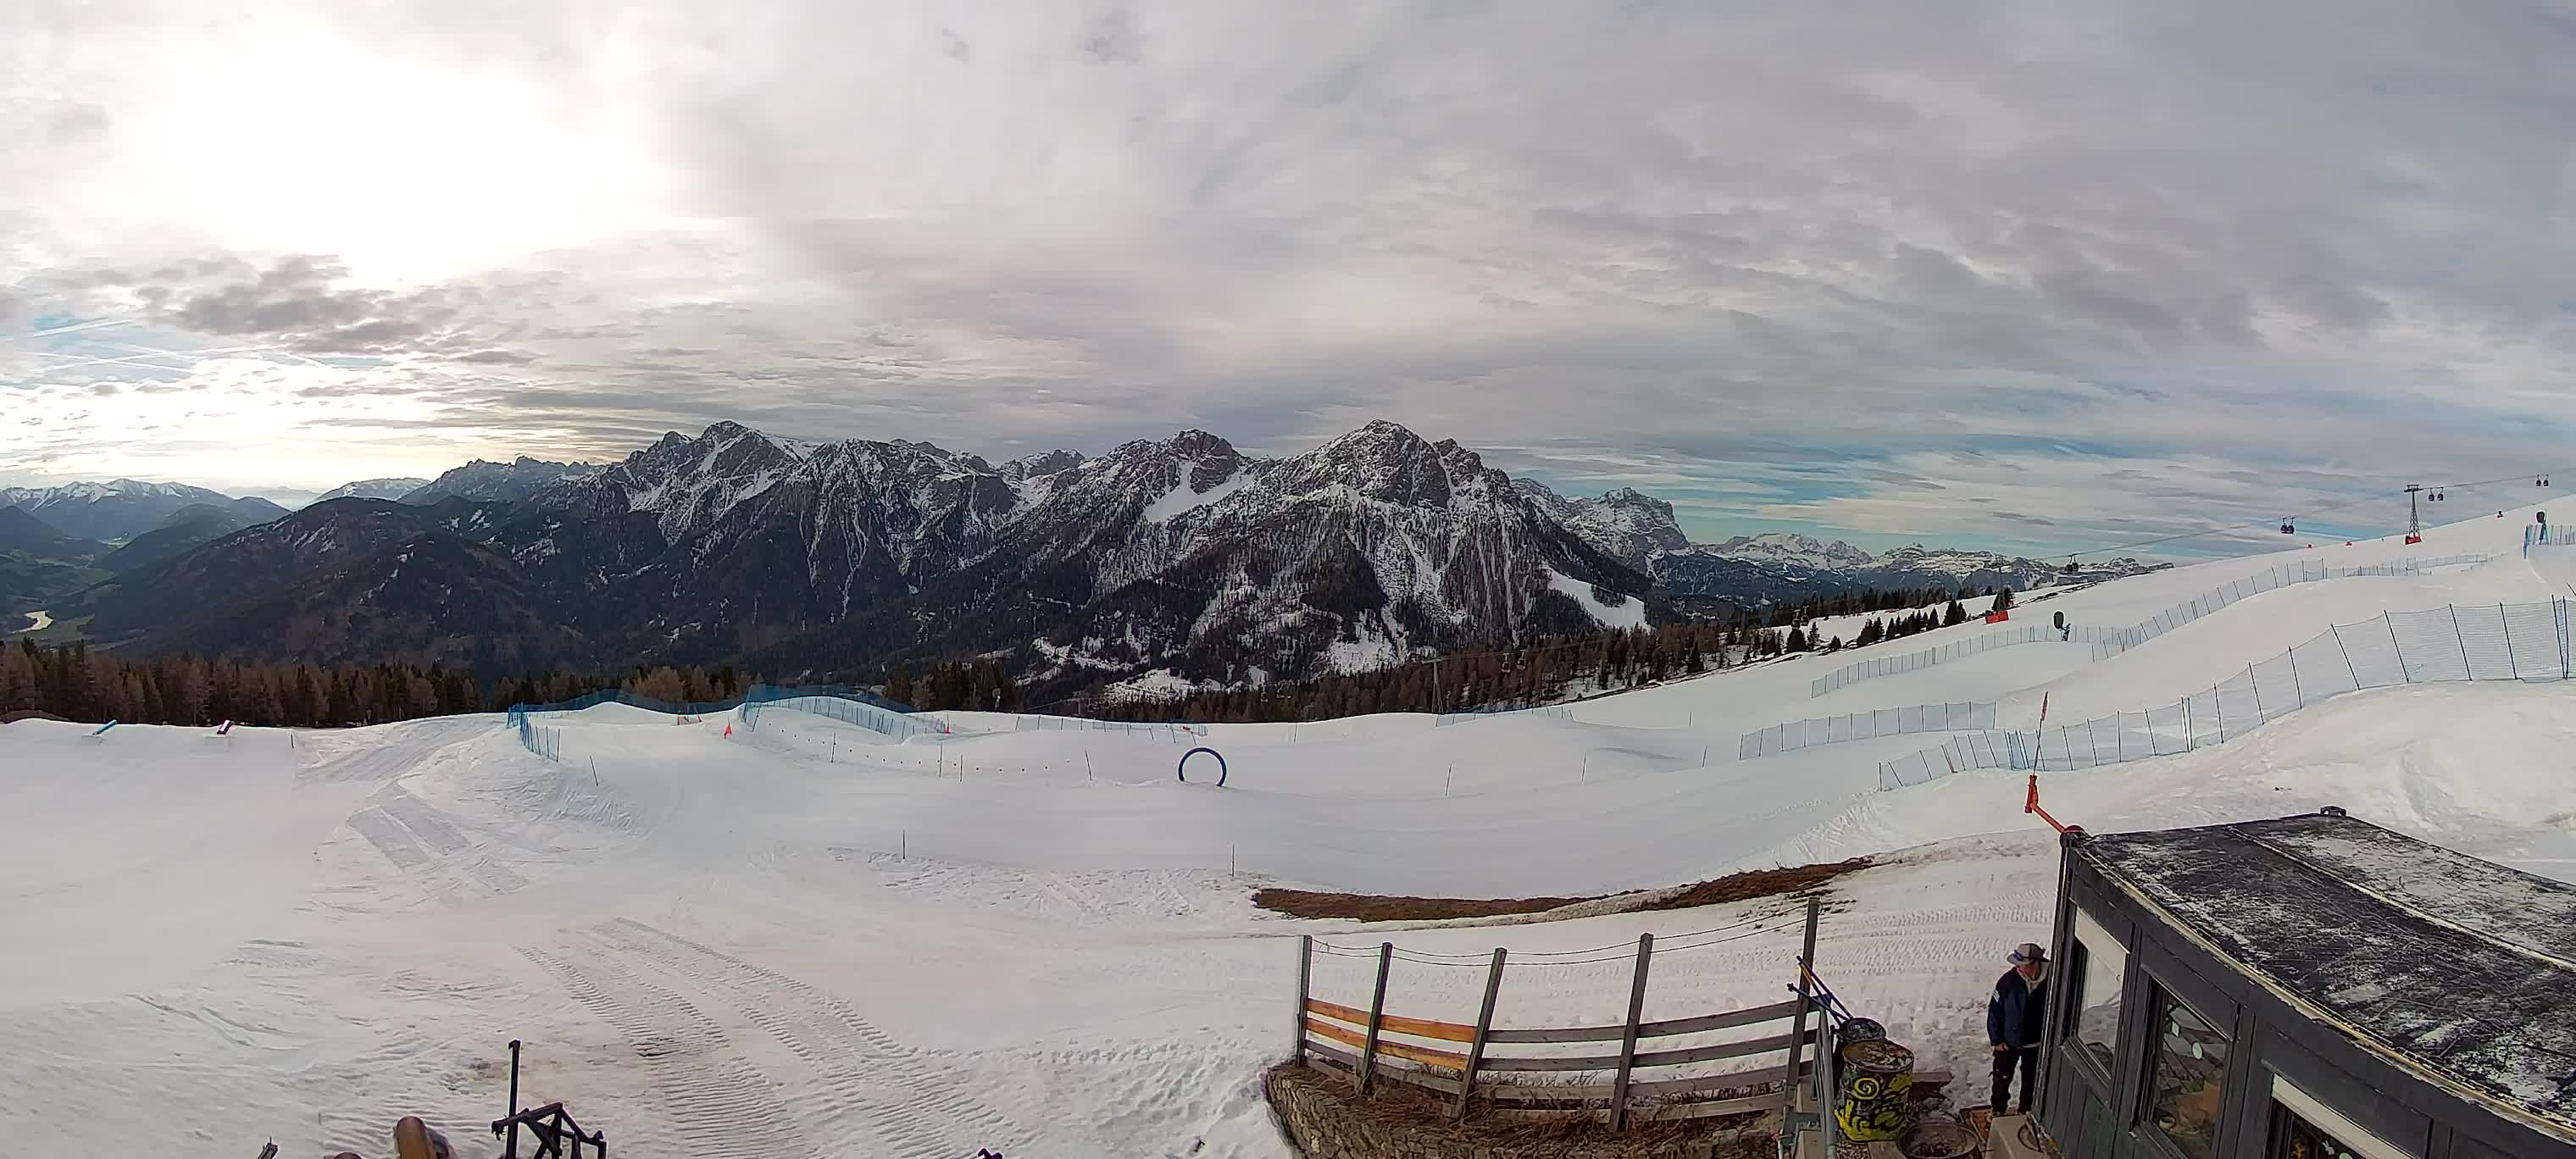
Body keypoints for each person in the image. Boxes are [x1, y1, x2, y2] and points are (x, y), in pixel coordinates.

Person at [1988, 941, 2049, 1115]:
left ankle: (2025, 1112)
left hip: (2036, 1044)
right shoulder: (2007, 982)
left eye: (2023, 966)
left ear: (2035, 963)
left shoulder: (2052, 981)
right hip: (2008, 1043)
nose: (2019, 969)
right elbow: (1995, 1011)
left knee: (2031, 1081)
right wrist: (1997, 1040)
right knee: (2002, 1079)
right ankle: (1998, 1110)